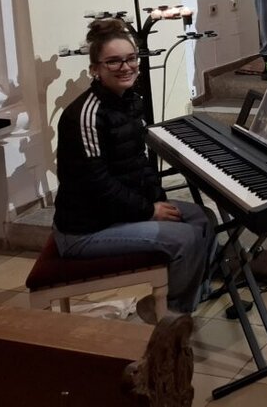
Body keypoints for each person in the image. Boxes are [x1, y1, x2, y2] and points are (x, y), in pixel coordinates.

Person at [53, 19, 215, 320]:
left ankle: (186, 299)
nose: (125, 67)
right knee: (186, 238)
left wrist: (157, 200)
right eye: (114, 61)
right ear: (95, 69)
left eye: (131, 58)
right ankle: (170, 314)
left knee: (203, 218)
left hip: (114, 214)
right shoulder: (86, 115)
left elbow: (139, 164)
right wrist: (148, 210)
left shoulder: (128, 101)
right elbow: (97, 184)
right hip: (86, 230)